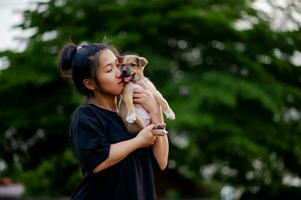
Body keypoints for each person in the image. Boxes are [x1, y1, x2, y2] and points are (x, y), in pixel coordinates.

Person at [58, 43, 169, 200]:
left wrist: (156, 111)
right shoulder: (86, 115)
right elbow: (97, 162)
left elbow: (162, 162)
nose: (120, 72)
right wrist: (138, 141)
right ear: (90, 83)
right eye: (109, 70)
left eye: (118, 65)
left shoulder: (131, 115)